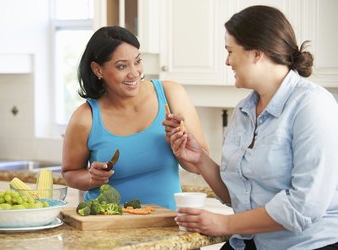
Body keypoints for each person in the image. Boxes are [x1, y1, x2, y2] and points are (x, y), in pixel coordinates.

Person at [163, 5, 338, 250]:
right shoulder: (244, 110)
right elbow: (236, 196)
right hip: (249, 242)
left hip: (307, 244)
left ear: (257, 53)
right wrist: (200, 159)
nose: (227, 61)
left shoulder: (313, 105)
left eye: (230, 51)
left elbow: (304, 207)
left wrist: (226, 225)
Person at [61, 26, 208, 210]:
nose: (134, 73)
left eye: (137, 62)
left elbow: (198, 166)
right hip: (106, 226)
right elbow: (69, 173)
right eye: (122, 66)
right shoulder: (85, 118)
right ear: (98, 69)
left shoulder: (171, 94)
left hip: (167, 224)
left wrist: (180, 146)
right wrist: (91, 178)